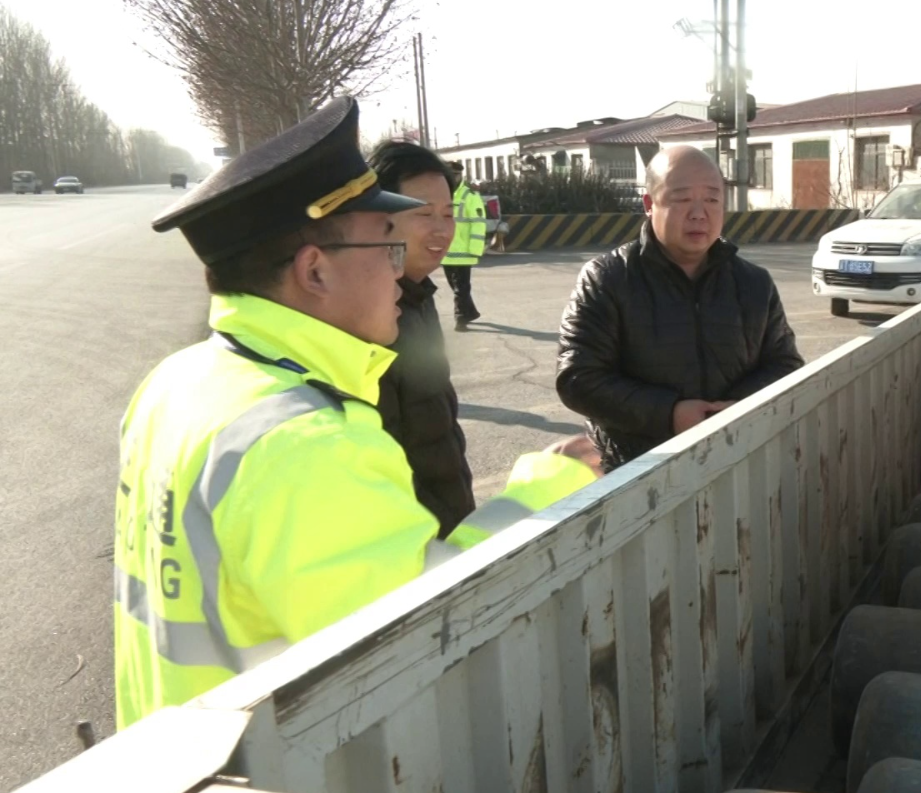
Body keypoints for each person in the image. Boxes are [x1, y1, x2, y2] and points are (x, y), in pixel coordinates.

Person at [115, 97, 597, 730]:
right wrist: (544, 492)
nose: (400, 274)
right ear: (314, 270)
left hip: (174, 750)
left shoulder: (176, 381)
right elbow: (422, 635)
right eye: (388, 249)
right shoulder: (304, 443)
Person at [555, 145, 805, 472]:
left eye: (712, 199)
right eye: (683, 199)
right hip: (635, 468)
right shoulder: (608, 278)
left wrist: (739, 407)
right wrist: (669, 413)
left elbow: (785, 364)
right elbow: (577, 377)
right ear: (649, 204)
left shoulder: (754, 283)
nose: (699, 213)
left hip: (736, 459)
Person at [367, 141, 476, 534]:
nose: (442, 229)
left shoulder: (418, 296)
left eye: (448, 214)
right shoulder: (367, 316)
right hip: (418, 545)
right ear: (377, 217)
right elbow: (381, 463)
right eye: (424, 213)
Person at [443, 162, 487, 330]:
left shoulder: (469, 196)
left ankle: (460, 319)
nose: (452, 178)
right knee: (456, 287)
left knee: (461, 287)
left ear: (461, 176)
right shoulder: (440, 195)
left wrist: (475, 249)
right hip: (445, 252)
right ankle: (470, 312)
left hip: (463, 252)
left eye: (455, 175)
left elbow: (478, 223)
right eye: (449, 174)